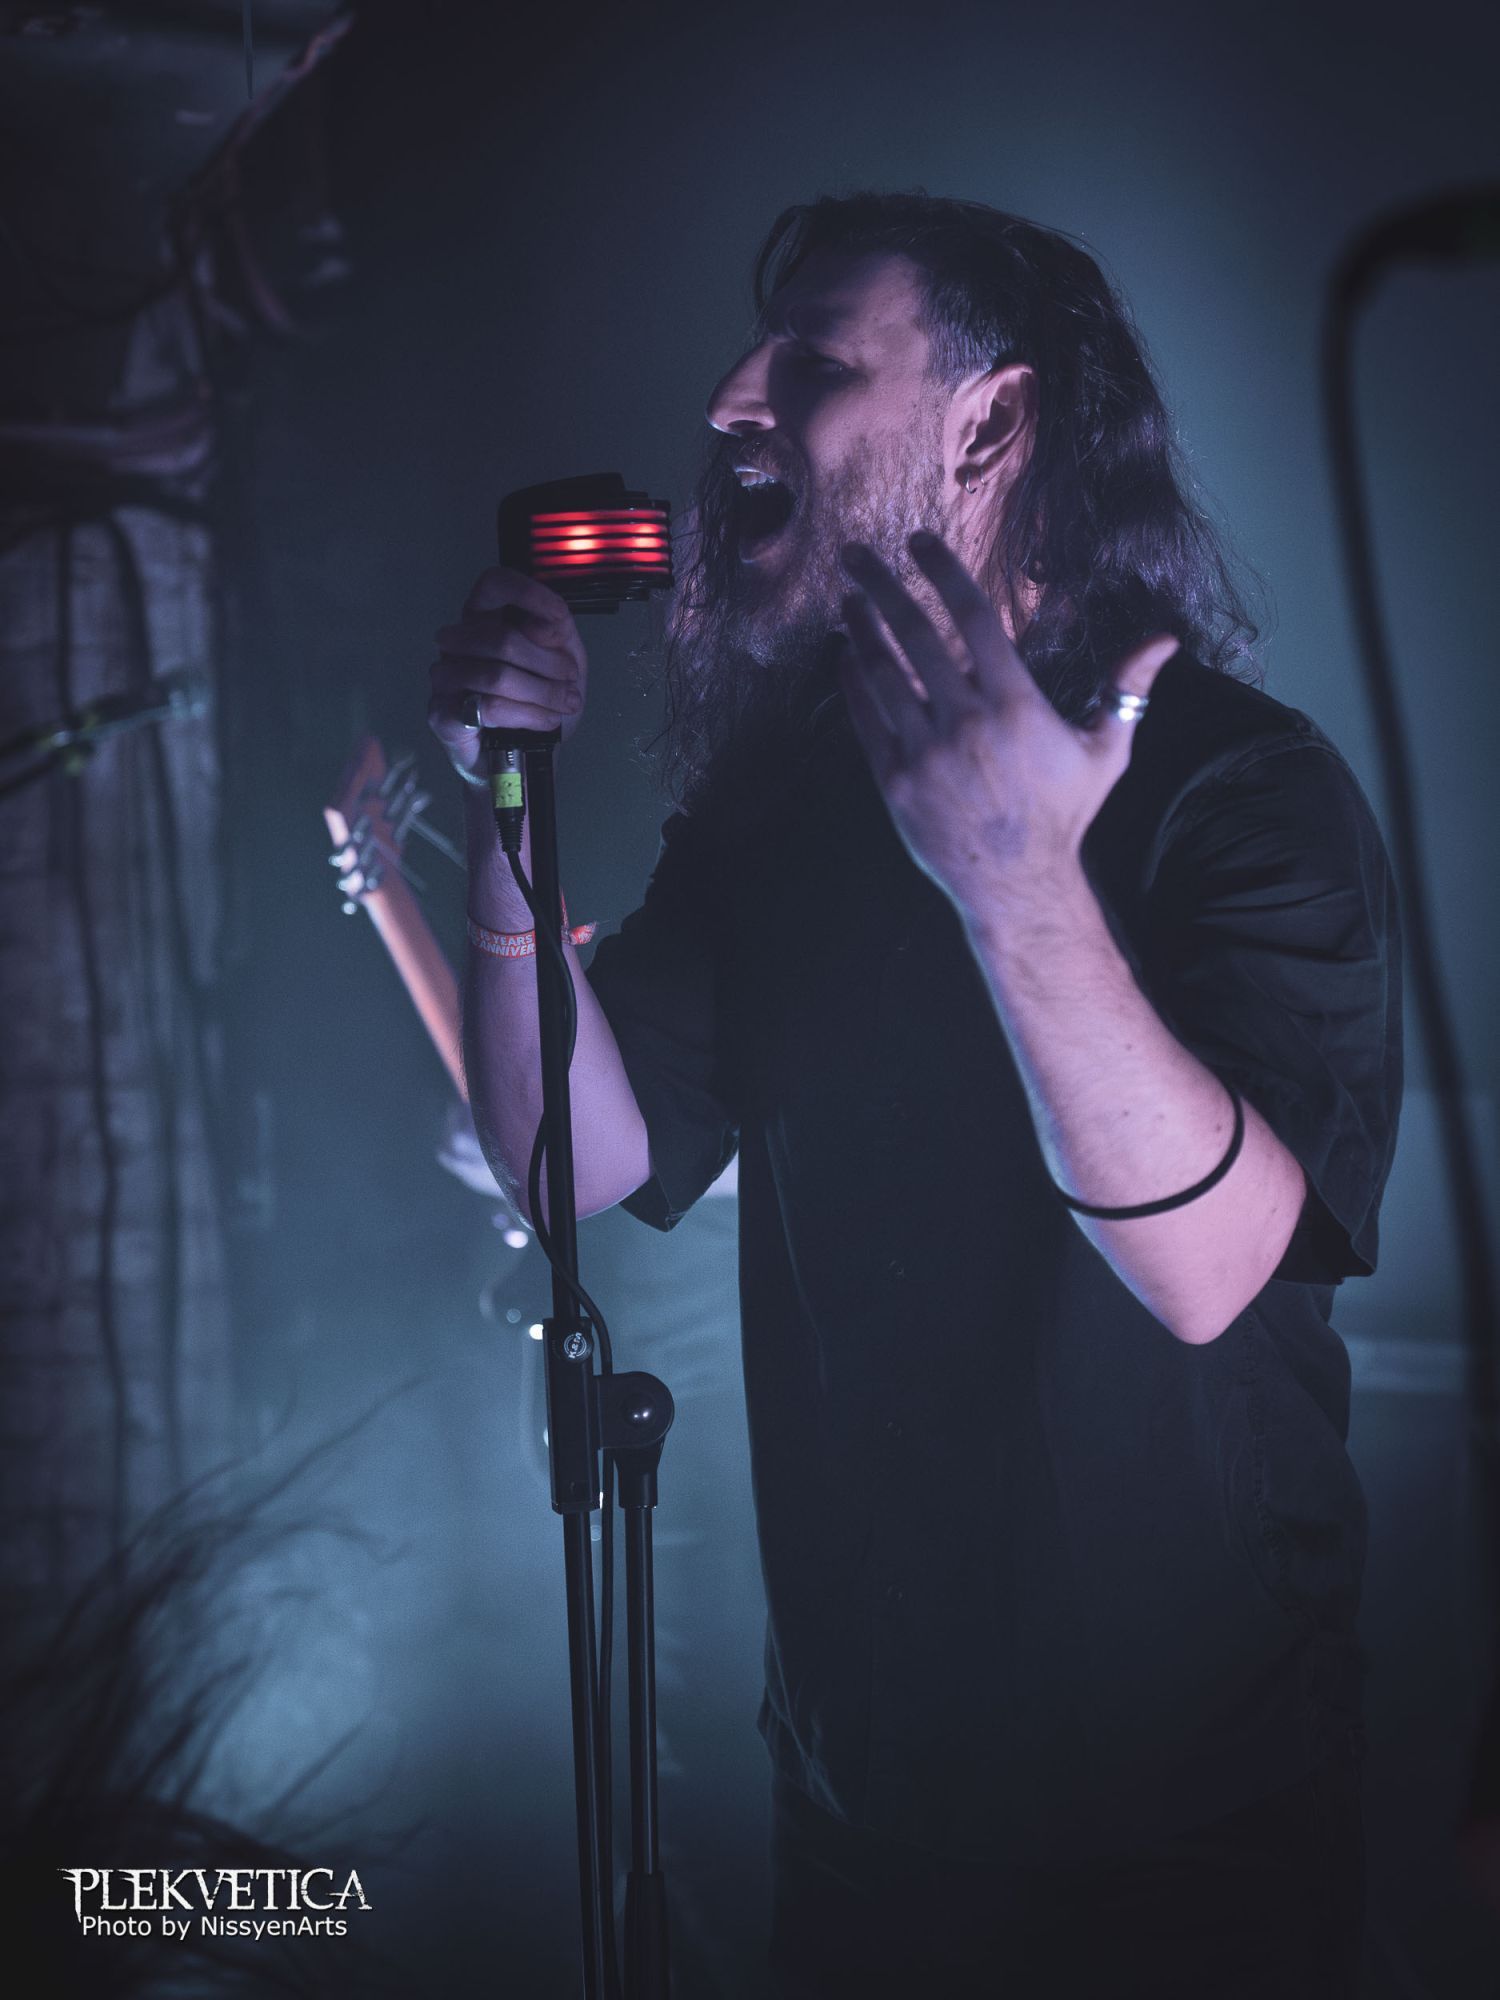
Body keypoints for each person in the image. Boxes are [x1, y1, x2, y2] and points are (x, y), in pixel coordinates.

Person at [427, 193, 1400, 1997]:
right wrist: (506, 802)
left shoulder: (1244, 794)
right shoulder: (781, 809)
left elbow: (1208, 1273)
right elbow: (569, 1163)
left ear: (989, 422)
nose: (731, 401)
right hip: (869, 1801)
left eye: (811, 360)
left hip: (1189, 1812)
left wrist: (1017, 884)